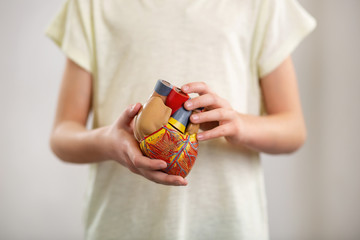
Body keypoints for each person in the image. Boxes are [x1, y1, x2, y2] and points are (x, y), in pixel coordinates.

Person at [45, 0, 316, 239]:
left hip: (228, 226)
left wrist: (239, 126)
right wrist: (108, 141)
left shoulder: (263, 4)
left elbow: (293, 130)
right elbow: (62, 136)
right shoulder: (91, 4)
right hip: (123, 227)